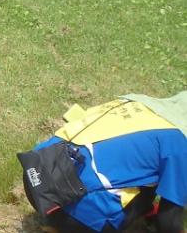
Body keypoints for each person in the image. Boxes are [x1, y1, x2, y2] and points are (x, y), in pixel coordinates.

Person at [22, 93, 187, 233]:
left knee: (139, 163)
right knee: (155, 182)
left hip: (35, 179)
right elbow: (169, 223)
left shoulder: (134, 101)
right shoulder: (178, 143)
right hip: (72, 216)